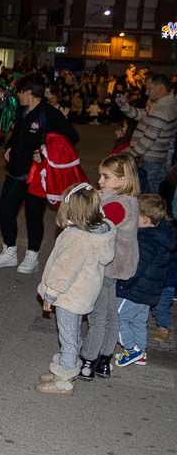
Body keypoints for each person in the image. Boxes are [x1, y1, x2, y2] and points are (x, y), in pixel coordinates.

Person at [0, 75, 79, 274]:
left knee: (33, 216)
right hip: (14, 171)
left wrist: (45, 150)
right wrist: (10, 146)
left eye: (19, 92)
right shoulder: (22, 111)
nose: (18, 96)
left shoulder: (49, 114)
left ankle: (32, 255)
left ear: (28, 92)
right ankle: (9, 251)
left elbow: (72, 137)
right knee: (5, 211)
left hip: (36, 176)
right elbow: (17, 132)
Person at [35, 183, 116, 396]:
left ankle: (64, 380)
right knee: (73, 333)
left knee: (68, 337)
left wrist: (50, 294)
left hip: (69, 296)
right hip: (84, 294)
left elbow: (64, 270)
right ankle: (65, 366)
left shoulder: (76, 238)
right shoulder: (99, 234)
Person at [78, 153, 141, 382]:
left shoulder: (115, 204)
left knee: (98, 316)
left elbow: (95, 229)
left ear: (122, 181)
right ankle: (104, 359)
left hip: (107, 266)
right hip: (118, 265)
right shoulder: (129, 200)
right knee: (111, 313)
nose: (100, 181)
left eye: (106, 177)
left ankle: (87, 360)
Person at [113, 194, 175, 368]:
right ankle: (140, 352)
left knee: (116, 318)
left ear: (145, 219)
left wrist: (123, 283)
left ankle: (132, 350)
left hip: (133, 290)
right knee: (139, 321)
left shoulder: (145, 240)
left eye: (134, 215)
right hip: (149, 291)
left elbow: (136, 266)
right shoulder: (161, 237)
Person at [117, 74, 177, 193]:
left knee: (147, 197)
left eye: (149, 88)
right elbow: (141, 115)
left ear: (160, 88)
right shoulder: (168, 104)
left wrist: (129, 155)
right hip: (156, 159)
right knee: (151, 195)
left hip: (148, 161)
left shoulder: (160, 110)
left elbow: (147, 141)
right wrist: (124, 105)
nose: (146, 92)